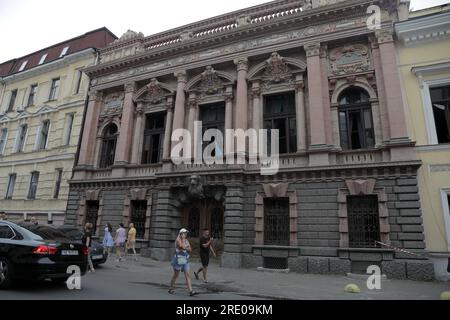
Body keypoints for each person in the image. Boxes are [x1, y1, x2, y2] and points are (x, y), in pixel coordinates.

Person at [168, 228, 197, 296]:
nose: (185, 234)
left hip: (185, 259)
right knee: (176, 275)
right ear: (181, 234)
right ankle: (171, 288)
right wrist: (185, 246)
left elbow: (190, 249)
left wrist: (185, 247)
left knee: (188, 275)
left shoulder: (186, 240)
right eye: (184, 233)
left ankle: (191, 291)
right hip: (178, 260)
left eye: (186, 233)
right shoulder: (178, 240)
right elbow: (181, 246)